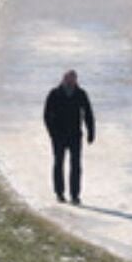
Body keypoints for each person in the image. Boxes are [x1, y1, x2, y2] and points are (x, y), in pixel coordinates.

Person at [43, 69, 95, 204]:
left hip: (75, 135)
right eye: (68, 78)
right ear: (63, 79)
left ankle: (75, 195)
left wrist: (91, 132)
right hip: (59, 136)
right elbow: (47, 115)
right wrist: (52, 133)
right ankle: (59, 193)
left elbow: (88, 113)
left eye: (73, 79)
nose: (70, 81)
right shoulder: (54, 94)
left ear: (76, 80)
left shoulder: (81, 94)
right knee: (58, 163)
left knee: (76, 165)